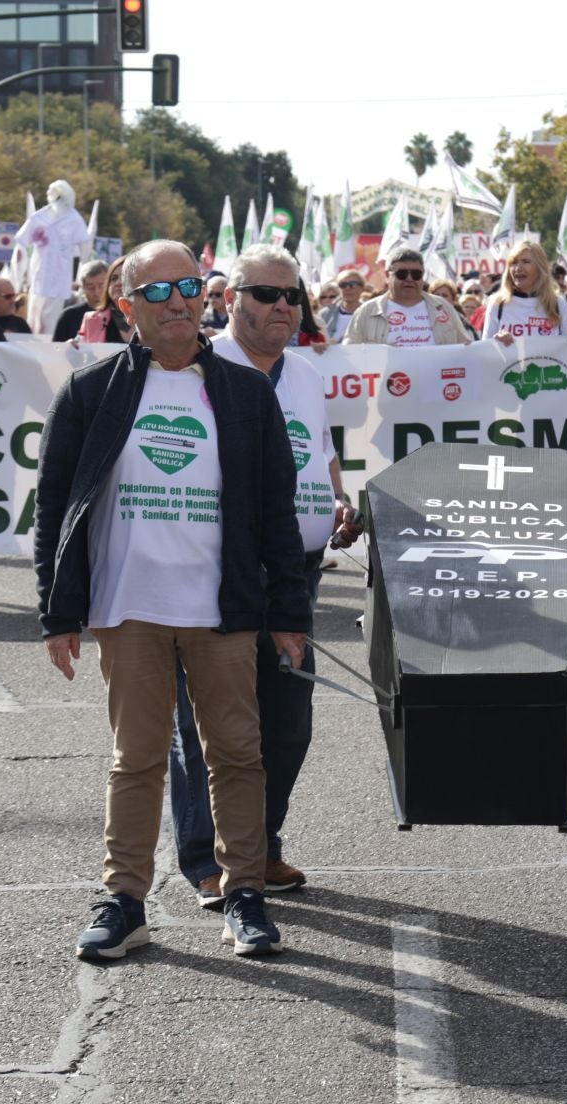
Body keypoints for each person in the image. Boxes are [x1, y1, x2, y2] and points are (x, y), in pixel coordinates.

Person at [35, 239, 310, 961]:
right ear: (125, 307)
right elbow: (56, 506)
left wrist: (288, 612)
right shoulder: (93, 393)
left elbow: (276, 510)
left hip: (222, 607)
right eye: (156, 293)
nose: (177, 302)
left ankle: (243, 893)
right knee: (137, 759)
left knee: (238, 755)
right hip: (129, 608)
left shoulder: (247, 392)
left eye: (187, 286)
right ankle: (125, 900)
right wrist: (57, 613)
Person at [169, 247, 363, 908]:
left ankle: (260, 845)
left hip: (297, 573)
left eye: (293, 296)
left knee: (287, 722)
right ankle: (208, 860)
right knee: (210, 725)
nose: (284, 307)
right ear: (231, 301)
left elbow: (322, 455)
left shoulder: (307, 374)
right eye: (267, 295)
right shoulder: (196, 368)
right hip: (214, 570)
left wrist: (337, 502)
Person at [341, 247, 472, 345]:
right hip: (387, 381)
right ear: (387, 275)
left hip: (436, 381)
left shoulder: (442, 307)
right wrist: (323, 351)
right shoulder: (367, 311)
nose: (409, 279)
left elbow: (465, 347)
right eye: (402, 274)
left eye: (416, 274)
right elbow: (349, 353)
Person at [481, 241, 567, 342]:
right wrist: (496, 343)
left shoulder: (558, 304)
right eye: (513, 262)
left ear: (540, 268)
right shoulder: (498, 303)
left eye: (526, 262)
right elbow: (485, 352)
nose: (518, 268)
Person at [52, 261, 124, 342]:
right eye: (90, 287)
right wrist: (67, 347)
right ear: (82, 287)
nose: (96, 292)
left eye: (101, 285)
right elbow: (56, 350)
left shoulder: (122, 315)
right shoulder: (68, 316)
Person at [320, 271, 365, 343]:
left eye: (352, 284)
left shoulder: (371, 313)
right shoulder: (325, 314)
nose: (347, 288)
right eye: (343, 285)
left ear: (362, 288)